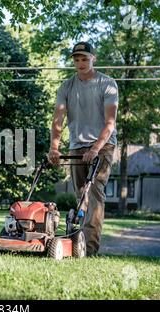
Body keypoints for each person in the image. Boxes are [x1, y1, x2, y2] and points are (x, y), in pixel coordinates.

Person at [48, 41, 118, 256]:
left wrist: (96, 148)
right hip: (77, 146)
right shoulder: (66, 86)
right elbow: (58, 119)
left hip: (103, 145)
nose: (80, 63)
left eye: (84, 59)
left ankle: (89, 248)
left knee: (95, 192)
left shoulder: (107, 83)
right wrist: (54, 148)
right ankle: (76, 243)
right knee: (81, 195)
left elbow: (110, 122)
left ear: (93, 59)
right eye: (77, 59)